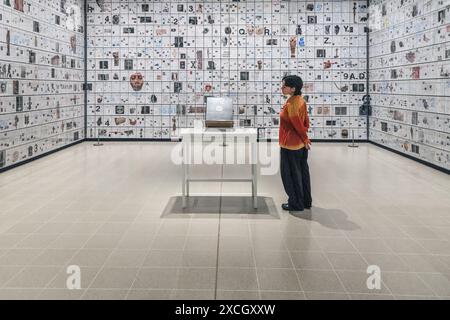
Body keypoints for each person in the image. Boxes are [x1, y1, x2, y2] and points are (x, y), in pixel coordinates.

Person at [279, 75, 312, 211]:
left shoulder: (292, 103)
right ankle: (305, 201)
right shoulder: (300, 100)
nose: (282, 88)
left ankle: (295, 203)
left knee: (290, 175)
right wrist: (304, 138)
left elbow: (298, 125)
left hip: (290, 144)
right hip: (299, 144)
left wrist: (304, 138)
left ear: (293, 89)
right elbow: (306, 123)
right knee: (302, 173)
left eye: (284, 86)